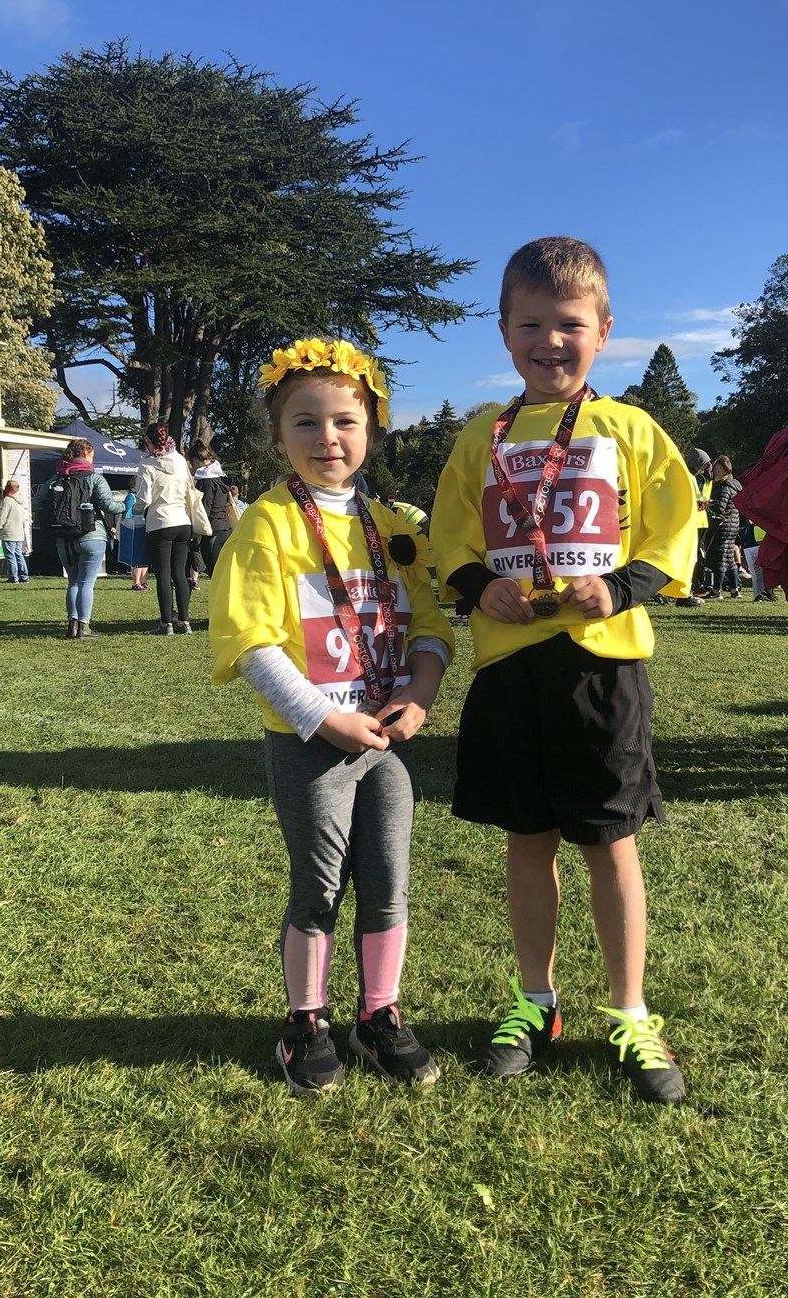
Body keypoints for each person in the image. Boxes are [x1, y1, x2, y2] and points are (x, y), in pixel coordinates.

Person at [432, 236, 698, 1105]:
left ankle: (629, 1009)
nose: (552, 340)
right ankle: (536, 999)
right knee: (527, 837)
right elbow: (449, 539)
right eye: (532, 324)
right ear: (505, 332)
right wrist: (480, 586)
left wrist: (620, 585)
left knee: (609, 840)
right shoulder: (482, 435)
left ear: (605, 330)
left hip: (602, 666)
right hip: (513, 666)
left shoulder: (629, 428)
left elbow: (674, 522)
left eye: (570, 324)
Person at [209, 336, 454, 1093]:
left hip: (385, 738)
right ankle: (304, 1020)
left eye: (345, 421)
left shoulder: (392, 524)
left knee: (388, 878)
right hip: (312, 742)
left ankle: (378, 1015)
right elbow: (250, 641)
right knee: (318, 885)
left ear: (372, 429)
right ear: (276, 435)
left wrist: (419, 693)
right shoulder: (268, 524)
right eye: (306, 423)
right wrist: (320, 718)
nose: (328, 438)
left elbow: (431, 626)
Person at [37, 438, 124, 639]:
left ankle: (72, 623)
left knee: (73, 582)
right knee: (86, 582)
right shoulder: (94, 479)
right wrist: (125, 505)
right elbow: (110, 506)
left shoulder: (54, 479)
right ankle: (84, 627)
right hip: (92, 536)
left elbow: (38, 502)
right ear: (85, 455)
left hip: (63, 538)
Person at [135, 423, 194, 635]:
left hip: (160, 522)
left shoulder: (147, 464)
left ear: (150, 442)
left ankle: (166, 622)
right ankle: (184, 621)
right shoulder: (180, 460)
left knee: (163, 574)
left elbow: (144, 497)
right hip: (183, 521)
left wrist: (135, 508)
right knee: (180, 572)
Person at [187, 441, 235, 576]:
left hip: (212, 531)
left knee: (215, 574)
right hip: (225, 529)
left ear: (196, 461)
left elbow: (204, 510)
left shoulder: (206, 482)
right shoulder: (221, 479)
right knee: (224, 574)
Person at [675, 448, 711, 607]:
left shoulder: (683, 475)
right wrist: (703, 505)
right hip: (690, 524)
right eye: (703, 465)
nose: (704, 469)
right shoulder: (690, 478)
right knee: (689, 559)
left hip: (685, 523)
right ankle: (684, 594)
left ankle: (679, 592)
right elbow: (693, 503)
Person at [703, 455, 742, 599]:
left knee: (717, 557)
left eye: (716, 466)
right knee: (729, 559)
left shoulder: (725, 487)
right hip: (733, 525)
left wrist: (707, 506)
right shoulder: (734, 485)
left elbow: (720, 508)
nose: (713, 469)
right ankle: (734, 590)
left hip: (723, 525)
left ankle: (716, 591)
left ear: (723, 469)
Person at [0, 479, 30, 583]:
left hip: (8, 532)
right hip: (19, 531)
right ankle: (24, 576)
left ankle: (13, 577)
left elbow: (2, 517)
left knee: (10, 555)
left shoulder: (7, 500)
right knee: (19, 554)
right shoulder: (21, 500)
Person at [122, 478, 150, 590]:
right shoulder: (131, 497)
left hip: (144, 526)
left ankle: (144, 582)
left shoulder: (143, 497)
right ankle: (136, 582)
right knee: (137, 557)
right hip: (135, 528)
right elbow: (127, 514)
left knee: (144, 557)